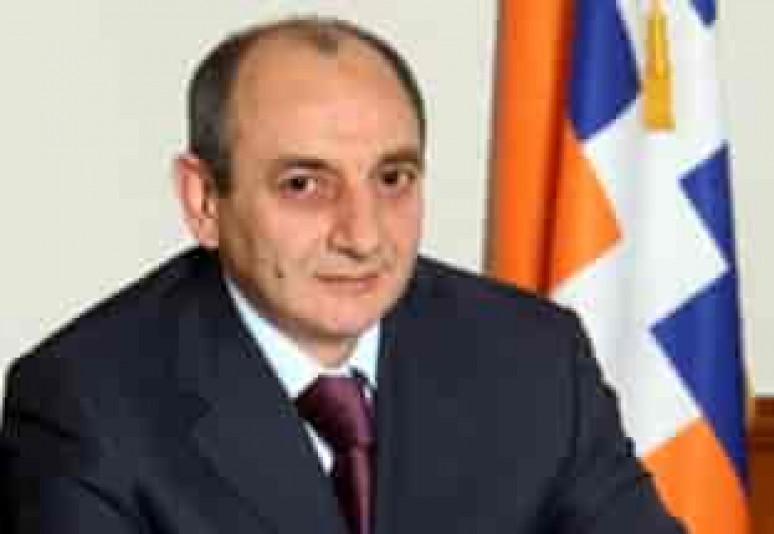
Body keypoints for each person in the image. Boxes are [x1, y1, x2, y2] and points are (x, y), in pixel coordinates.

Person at [1, 16, 686, 534]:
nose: (363, 236)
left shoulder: (533, 358)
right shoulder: (87, 403)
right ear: (204, 201)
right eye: (304, 184)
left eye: (392, 178)